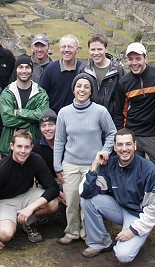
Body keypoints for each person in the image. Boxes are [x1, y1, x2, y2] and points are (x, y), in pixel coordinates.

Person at [79, 128, 155, 261]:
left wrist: (133, 230)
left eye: (128, 144)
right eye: (120, 145)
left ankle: (140, 234)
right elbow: (85, 192)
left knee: (124, 256)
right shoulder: (108, 165)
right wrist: (94, 166)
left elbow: (153, 210)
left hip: (138, 215)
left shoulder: (149, 170)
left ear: (135, 145)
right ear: (114, 147)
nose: (124, 149)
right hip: (118, 208)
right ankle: (100, 242)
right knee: (87, 201)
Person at [53, 73, 116, 245]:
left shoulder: (100, 111)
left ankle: (89, 234)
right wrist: (57, 165)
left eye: (86, 87)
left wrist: (104, 151)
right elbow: (59, 140)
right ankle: (72, 231)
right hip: (70, 164)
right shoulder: (64, 113)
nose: (82, 90)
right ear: (73, 89)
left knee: (87, 201)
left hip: (92, 166)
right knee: (72, 200)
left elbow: (112, 133)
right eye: (78, 86)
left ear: (91, 91)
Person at [0, 130, 61, 250]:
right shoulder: (0, 169)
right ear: (11, 146)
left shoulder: (36, 160)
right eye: (19, 146)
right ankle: (8, 221)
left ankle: (28, 222)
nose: (23, 151)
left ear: (32, 147)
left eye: (26, 147)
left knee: (53, 203)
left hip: (26, 195)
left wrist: (30, 208)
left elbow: (53, 188)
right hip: (5, 202)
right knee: (5, 235)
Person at [0, 55, 50, 156]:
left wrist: (19, 112)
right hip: (9, 145)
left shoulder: (40, 93)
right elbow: (7, 119)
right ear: (16, 70)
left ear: (32, 70)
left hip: (33, 144)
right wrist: (31, 122)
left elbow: (42, 116)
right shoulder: (7, 92)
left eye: (27, 67)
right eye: (20, 67)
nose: (24, 70)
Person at [80, 33, 124, 117]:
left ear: (106, 49)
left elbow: (122, 98)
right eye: (93, 49)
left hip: (111, 118)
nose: (96, 53)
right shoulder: (84, 69)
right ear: (89, 50)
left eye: (99, 49)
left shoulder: (118, 71)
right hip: (88, 118)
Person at [39, 34, 83, 114]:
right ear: (59, 49)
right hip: (55, 118)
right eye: (63, 47)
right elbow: (43, 96)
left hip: (77, 118)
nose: (66, 50)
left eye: (70, 47)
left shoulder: (83, 69)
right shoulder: (50, 69)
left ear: (77, 50)